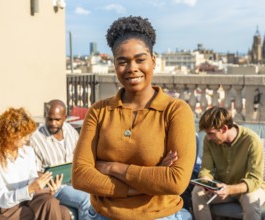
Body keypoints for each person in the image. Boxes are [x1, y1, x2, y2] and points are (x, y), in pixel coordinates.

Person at [71, 15, 196, 220]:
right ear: (114, 65)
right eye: (123, 62)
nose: (132, 69)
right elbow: (80, 176)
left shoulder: (175, 111)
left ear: (153, 61)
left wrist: (113, 167)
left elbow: (175, 181)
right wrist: (144, 184)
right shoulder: (99, 111)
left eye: (140, 59)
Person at [0, 107, 71, 220]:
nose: (28, 137)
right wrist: (28, 189)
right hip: (8, 208)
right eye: (24, 134)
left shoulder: (28, 152)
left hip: (30, 200)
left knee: (58, 207)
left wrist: (48, 188)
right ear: (10, 134)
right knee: (48, 210)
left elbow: (32, 180)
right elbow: (0, 199)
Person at [191, 106, 265, 220]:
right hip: (221, 186)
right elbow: (206, 169)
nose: (208, 137)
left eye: (211, 133)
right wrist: (205, 182)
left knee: (250, 200)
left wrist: (229, 189)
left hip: (247, 188)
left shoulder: (252, 141)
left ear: (224, 128)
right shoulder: (209, 140)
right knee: (197, 193)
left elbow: (255, 180)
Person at [30, 99, 95, 220]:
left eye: (57, 120)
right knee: (87, 199)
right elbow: (34, 172)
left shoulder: (70, 130)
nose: (53, 123)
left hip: (75, 181)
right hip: (56, 187)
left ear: (65, 118)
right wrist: (48, 179)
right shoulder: (36, 139)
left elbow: (79, 155)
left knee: (101, 194)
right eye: (49, 119)